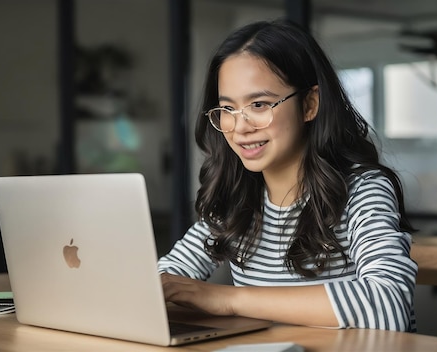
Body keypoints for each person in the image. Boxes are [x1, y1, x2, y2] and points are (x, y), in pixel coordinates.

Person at [158, 18, 417, 332]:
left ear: (309, 104)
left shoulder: (362, 190)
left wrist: (229, 299)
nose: (240, 127)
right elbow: (169, 278)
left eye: (259, 104)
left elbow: (389, 304)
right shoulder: (236, 197)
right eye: (227, 109)